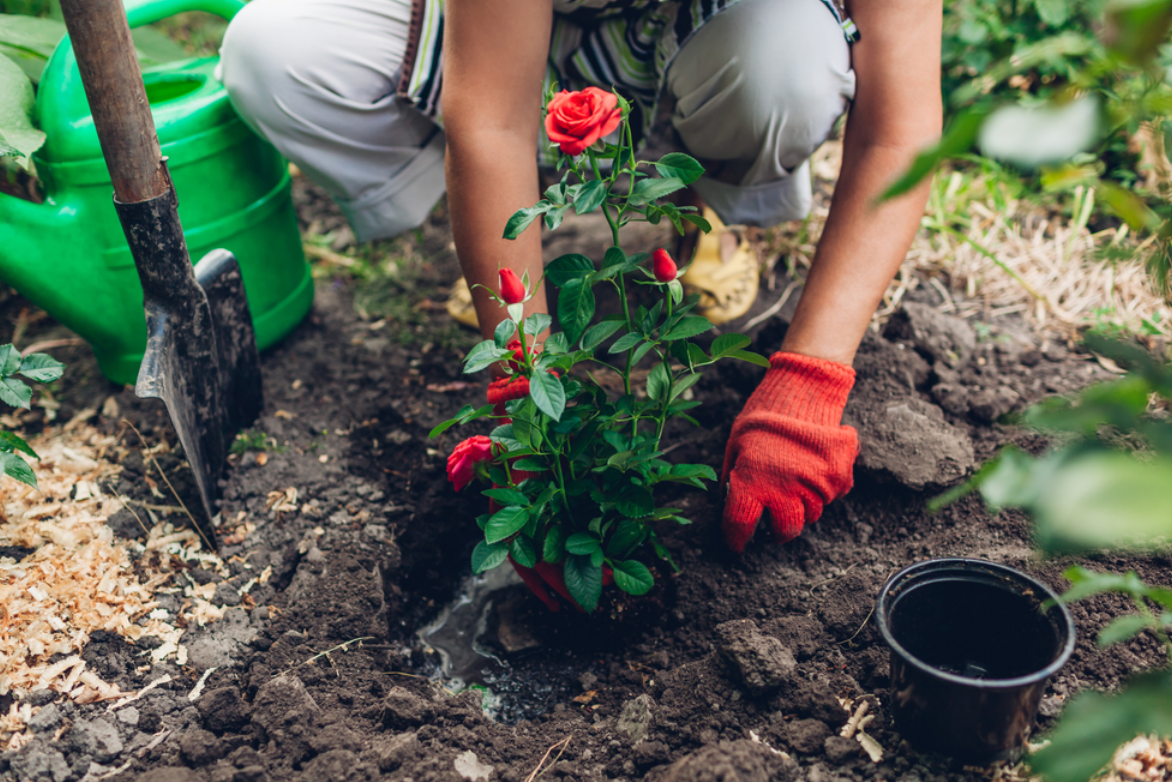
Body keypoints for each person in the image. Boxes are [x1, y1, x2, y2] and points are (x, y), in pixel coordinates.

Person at [219, 0, 942, 553]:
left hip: (716, 36)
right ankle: (509, 237)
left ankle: (696, 215)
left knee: (783, 69)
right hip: (511, 27)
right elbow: (493, 119)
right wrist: (523, 390)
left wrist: (810, 380)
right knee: (275, 52)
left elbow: (900, 131)